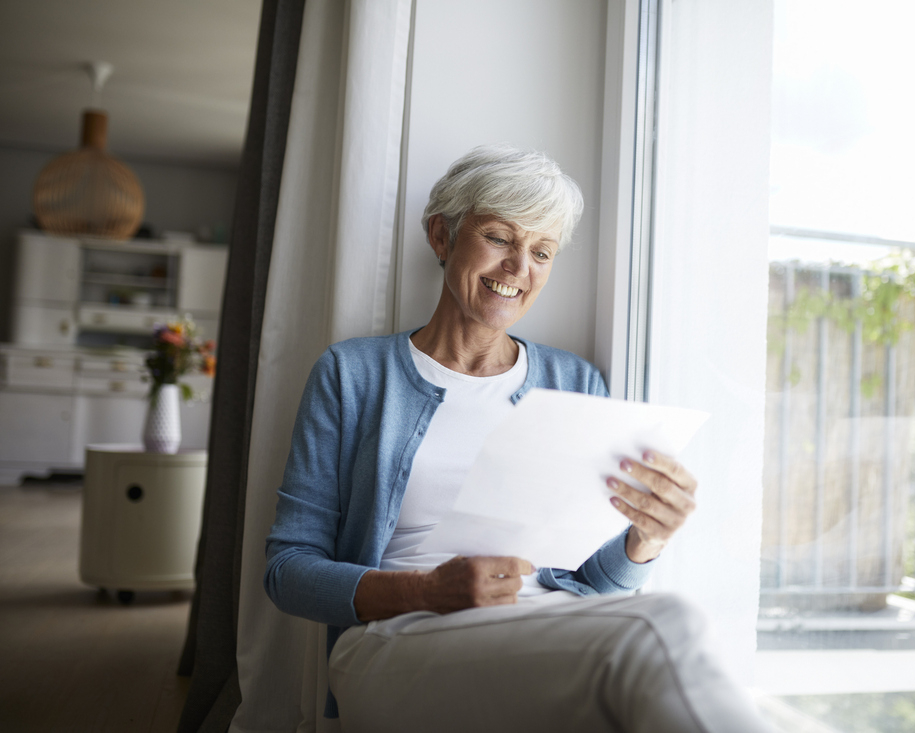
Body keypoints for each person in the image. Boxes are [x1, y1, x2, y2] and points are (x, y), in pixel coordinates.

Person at [264, 144, 774, 732]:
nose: (518, 269)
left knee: (650, 639)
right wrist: (426, 590)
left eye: (541, 251)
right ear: (441, 236)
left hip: (549, 631)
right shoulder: (353, 374)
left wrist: (644, 541)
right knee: (664, 626)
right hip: (398, 640)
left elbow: (589, 583)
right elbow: (288, 571)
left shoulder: (575, 381)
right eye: (500, 238)